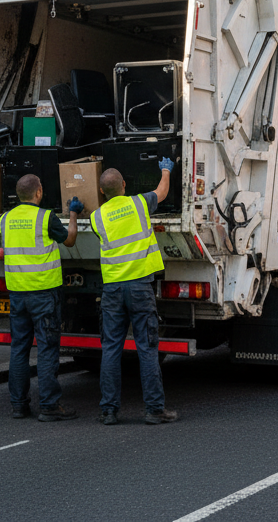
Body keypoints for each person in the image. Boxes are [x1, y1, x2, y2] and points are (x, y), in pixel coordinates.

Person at [91, 157, 178, 425]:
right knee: (147, 349)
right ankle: (154, 410)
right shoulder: (138, 203)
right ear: (124, 185)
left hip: (113, 290)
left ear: (102, 192)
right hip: (140, 287)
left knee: (111, 350)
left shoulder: (97, 217)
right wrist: (165, 169)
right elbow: (162, 192)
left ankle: (108, 411)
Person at [0, 175, 82, 421]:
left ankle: (19, 405)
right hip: (44, 293)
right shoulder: (46, 217)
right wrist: (73, 214)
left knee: (19, 349)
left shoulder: (5, 219)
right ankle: (49, 405)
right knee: (46, 349)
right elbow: (69, 240)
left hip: (17, 293)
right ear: (38, 193)